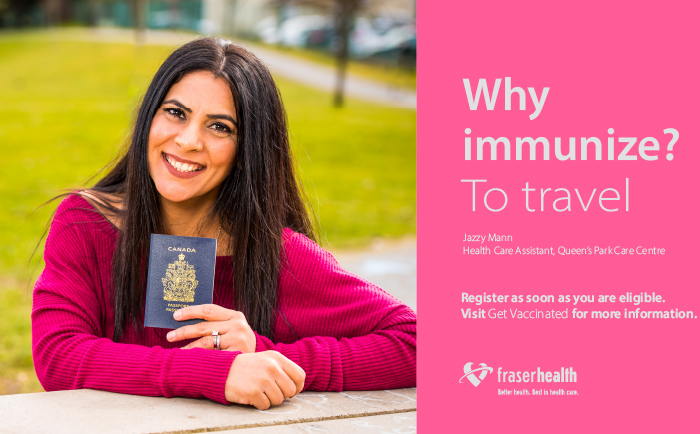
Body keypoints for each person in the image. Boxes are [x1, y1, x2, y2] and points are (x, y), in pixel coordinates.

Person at [31, 38, 416, 410]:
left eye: (220, 127)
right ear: (149, 118)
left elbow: (416, 343)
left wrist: (264, 356)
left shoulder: (274, 253)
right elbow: (58, 355)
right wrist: (213, 372)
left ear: (246, 152)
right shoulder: (84, 223)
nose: (188, 141)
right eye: (176, 113)